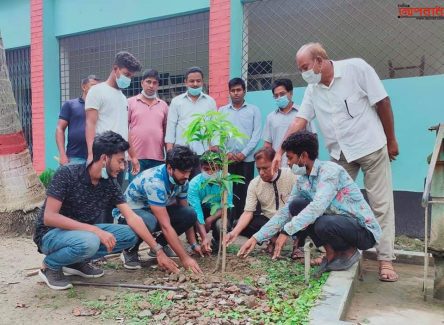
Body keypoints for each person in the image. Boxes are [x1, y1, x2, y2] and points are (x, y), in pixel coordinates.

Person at [271, 42, 399, 282]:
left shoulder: (356, 69)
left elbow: (383, 102)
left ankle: (385, 259)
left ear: (320, 60)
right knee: (326, 203)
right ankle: (338, 250)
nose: (304, 73)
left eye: (305, 67)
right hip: (339, 155)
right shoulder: (312, 89)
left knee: (381, 204)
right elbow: (299, 121)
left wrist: (391, 140)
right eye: (300, 69)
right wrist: (280, 152)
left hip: (370, 145)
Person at [33, 131, 179, 290]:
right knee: (91, 240)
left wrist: (158, 250)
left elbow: (132, 217)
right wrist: (95, 230)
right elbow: (49, 217)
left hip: (82, 234)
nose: (123, 167)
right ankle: (50, 266)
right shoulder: (68, 173)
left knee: (131, 234)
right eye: (120, 161)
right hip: (50, 234)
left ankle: (75, 261)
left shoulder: (109, 183)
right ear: (104, 158)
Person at [239, 131, 381, 275]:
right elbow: (286, 210)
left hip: (363, 231)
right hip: (337, 223)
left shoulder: (330, 171)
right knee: (296, 205)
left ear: (304, 156)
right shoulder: (302, 179)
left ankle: (347, 252)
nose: (288, 163)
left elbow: (316, 208)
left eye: (290, 157)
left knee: (322, 222)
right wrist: (256, 237)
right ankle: (331, 254)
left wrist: (286, 231)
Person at [115, 145, 204, 273]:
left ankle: (159, 245)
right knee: (150, 221)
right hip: (129, 214)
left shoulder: (183, 181)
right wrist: (185, 258)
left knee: (189, 214)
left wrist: (193, 243)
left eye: (189, 172)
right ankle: (130, 250)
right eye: (183, 172)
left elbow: (186, 210)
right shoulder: (155, 182)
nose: (187, 176)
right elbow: (165, 225)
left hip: (153, 211)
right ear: (169, 168)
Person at [224, 147, 298, 255]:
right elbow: (248, 212)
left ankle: (297, 247)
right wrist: (234, 233)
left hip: (291, 220)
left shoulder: (291, 176)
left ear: (276, 164)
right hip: (268, 222)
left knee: (303, 209)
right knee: (239, 224)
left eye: (265, 168)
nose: (261, 173)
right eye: (258, 169)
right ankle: (272, 240)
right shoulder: (255, 184)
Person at [85, 51, 142, 186]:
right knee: (100, 198)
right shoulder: (97, 91)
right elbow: (90, 124)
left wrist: (132, 155)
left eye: (131, 76)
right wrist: (91, 154)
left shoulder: (123, 98)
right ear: (115, 68)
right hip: (104, 157)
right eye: (126, 74)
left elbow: (125, 129)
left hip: (120, 157)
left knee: (115, 198)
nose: (128, 78)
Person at [219, 78, 262, 221]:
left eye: (238, 90)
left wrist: (244, 153)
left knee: (245, 191)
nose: (236, 93)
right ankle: (229, 221)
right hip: (228, 159)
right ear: (229, 92)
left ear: (244, 91)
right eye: (233, 90)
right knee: (228, 190)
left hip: (247, 159)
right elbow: (219, 135)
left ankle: (243, 222)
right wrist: (227, 153)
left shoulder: (254, 110)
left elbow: (256, 135)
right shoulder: (222, 111)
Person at [263, 78, 316, 167]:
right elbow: (268, 144)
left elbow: (313, 138)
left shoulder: (302, 114)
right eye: (276, 96)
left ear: (291, 93)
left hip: (300, 165)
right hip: (278, 165)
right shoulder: (270, 117)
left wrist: (310, 162)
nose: (279, 98)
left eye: (282, 94)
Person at [165, 66, 217, 157]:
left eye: (198, 81)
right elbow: (171, 127)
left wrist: (215, 147)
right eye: (192, 81)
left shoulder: (210, 101)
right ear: (186, 82)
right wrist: (169, 151)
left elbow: (214, 126)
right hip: (181, 152)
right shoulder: (176, 102)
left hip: (204, 151)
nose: (195, 84)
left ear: (202, 82)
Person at [188, 151, 234, 252]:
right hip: (202, 210)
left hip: (219, 212)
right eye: (206, 169)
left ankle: (218, 241)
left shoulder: (226, 180)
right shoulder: (194, 184)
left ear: (220, 168)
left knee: (221, 224)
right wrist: (204, 237)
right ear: (200, 168)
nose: (210, 172)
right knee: (189, 215)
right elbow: (197, 211)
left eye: (214, 169)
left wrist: (209, 220)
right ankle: (194, 242)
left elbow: (226, 205)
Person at [128, 68, 168, 182]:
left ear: (158, 85)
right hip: (137, 158)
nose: (151, 85)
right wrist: (131, 156)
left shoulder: (164, 105)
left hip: (158, 159)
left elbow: (166, 133)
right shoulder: (130, 102)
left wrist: (167, 157)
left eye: (155, 83)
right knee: (135, 193)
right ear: (142, 83)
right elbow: (124, 129)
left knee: (155, 193)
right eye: (148, 82)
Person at [56, 75, 100, 165]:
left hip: (96, 158)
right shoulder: (70, 105)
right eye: (93, 85)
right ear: (84, 87)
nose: (96, 89)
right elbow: (60, 129)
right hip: (75, 157)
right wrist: (62, 154)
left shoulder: (100, 107)